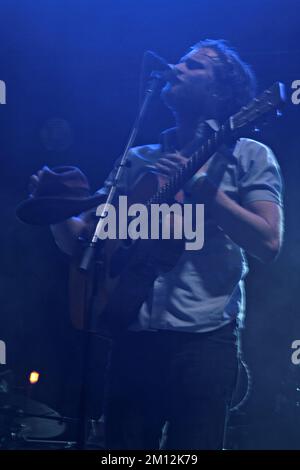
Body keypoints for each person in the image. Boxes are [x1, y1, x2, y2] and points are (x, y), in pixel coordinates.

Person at [28, 39, 284, 449]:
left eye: (194, 66)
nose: (177, 68)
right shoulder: (138, 159)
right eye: (179, 62)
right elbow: (87, 244)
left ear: (219, 91)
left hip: (203, 342)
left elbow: (268, 242)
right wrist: (54, 208)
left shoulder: (247, 154)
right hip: (134, 338)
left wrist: (204, 190)